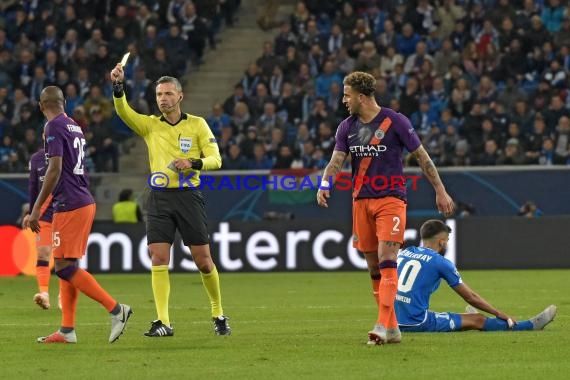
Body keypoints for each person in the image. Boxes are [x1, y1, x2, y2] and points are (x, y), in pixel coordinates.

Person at [316, 71, 455, 345]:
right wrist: (324, 184)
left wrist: (440, 190)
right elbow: (336, 160)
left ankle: (381, 324)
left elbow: (422, 157)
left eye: (347, 95)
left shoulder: (396, 121)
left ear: (361, 96)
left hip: (391, 199)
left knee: (387, 258)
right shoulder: (346, 127)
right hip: (360, 201)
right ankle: (392, 328)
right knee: (373, 267)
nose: (343, 100)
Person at [110, 64, 231, 337]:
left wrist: (192, 162)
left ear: (180, 96)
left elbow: (216, 159)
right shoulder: (150, 125)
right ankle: (163, 321)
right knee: (158, 256)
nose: (162, 98)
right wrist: (118, 88)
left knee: (203, 260)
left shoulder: (197, 124)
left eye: (167, 93)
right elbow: (124, 112)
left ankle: (218, 312)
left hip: (188, 196)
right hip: (159, 198)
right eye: (159, 94)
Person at [26, 86, 132, 344]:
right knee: (66, 264)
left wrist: (37, 208)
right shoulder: (74, 125)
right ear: (64, 102)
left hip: (71, 204)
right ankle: (67, 330)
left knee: (62, 267)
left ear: (42, 106)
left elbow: (54, 169)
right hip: (81, 199)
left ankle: (117, 310)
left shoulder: (52, 127)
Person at [396, 219, 557, 332]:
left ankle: (468, 317)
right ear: (442, 242)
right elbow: (470, 297)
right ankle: (528, 326)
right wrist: (498, 313)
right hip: (417, 323)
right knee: (477, 320)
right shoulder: (440, 262)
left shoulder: (406, 252)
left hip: (392, 322)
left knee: (461, 317)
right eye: (447, 240)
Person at [22, 144, 58, 309]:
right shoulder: (36, 158)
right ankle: (44, 294)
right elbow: (33, 187)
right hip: (43, 214)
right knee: (43, 253)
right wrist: (31, 212)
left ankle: (63, 295)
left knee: (64, 258)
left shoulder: (67, 155)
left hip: (64, 210)